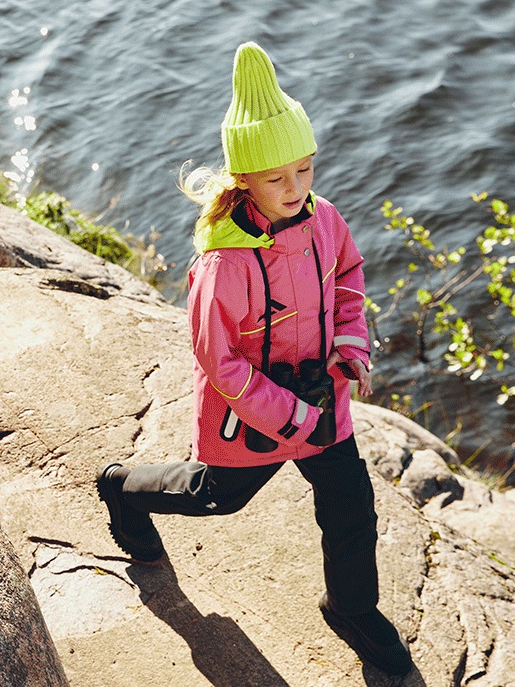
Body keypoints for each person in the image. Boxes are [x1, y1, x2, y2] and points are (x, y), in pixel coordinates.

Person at [96, 42, 412, 676]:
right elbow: (221, 364)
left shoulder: (325, 220)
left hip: (324, 402)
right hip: (256, 418)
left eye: (305, 168)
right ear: (243, 179)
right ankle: (121, 487)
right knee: (217, 498)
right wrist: (293, 419)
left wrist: (350, 345)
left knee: (351, 507)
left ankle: (351, 608)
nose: (295, 188)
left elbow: (349, 276)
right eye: (276, 178)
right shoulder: (223, 265)